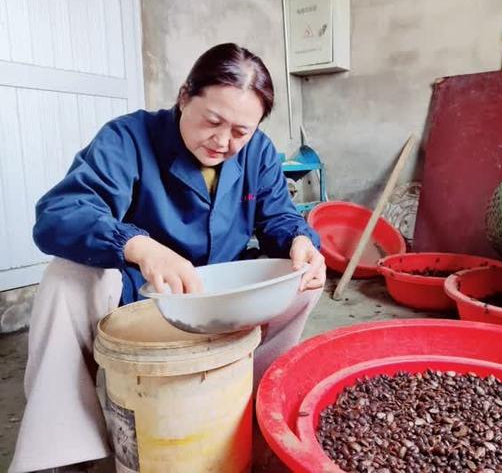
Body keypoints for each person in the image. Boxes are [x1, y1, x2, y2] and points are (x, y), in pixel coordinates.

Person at [9, 43, 326, 473]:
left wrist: (299, 242)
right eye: (212, 121)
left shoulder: (260, 152)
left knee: (302, 279)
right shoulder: (128, 138)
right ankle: (65, 450)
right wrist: (139, 246)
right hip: (142, 295)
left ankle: (248, 412)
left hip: (219, 292)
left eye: (240, 131)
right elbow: (59, 215)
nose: (222, 141)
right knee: (66, 279)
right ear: (183, 97)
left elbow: (279, 218)